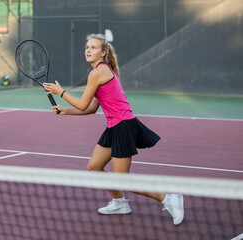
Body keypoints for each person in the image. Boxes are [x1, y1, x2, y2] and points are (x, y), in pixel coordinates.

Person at [43, 33, 184, 225]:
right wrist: (66, 111)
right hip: (114, 127)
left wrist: (61, 92)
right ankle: (119, 203)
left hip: (124, 126)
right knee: (94, 167)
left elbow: (83, 104)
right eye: (86, 47)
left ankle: (168, 198)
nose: (88, 50)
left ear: (103, 53)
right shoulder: (100, 72)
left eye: (93, 47)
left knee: (122, 180)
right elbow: (92, 108)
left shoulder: (98, 72)